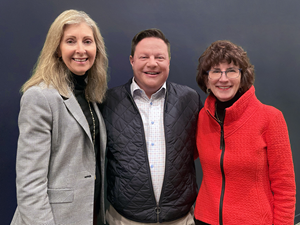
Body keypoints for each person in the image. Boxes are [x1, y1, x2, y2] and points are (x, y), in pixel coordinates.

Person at [11, 9, 108, 225]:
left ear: (96, 48)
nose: (81, 50)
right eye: (71, 41)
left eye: (87, 41)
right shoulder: (39, 96)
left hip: (89, 216)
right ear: (57, 48)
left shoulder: (92, 96)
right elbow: (29, 184)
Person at [99, 28, 202, 225]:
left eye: (160, 57)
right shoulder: (108, 102)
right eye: (144, 56)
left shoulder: (189, 99)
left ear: (169, 61)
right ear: (132, 61)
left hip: (180, 220)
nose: (152, 63)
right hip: (124, 220)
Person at [194, 40, 296, 225]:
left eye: (231, 70)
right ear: (206, 78)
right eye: (216, 71)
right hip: (204, 219)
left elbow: (285, 188)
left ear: (242, 76)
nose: (223, 79)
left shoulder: (270, 118)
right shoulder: (202, 117)